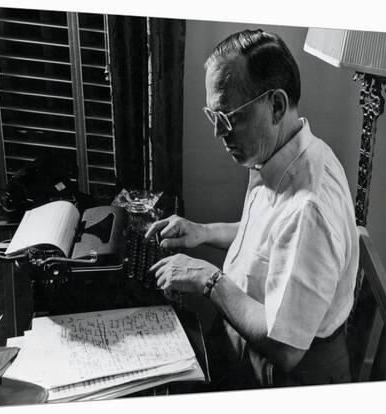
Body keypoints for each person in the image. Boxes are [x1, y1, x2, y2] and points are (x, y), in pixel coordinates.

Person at [146, 29, 359, 388]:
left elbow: (284, 346)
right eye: (213, 117)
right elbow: (268, 241)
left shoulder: (310, 209)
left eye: (229, 118)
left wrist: (207, 278)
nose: (219, 133)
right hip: (246, 339)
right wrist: (202, 232)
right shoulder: (282, 153)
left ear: (275, 106)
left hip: (286, 374)